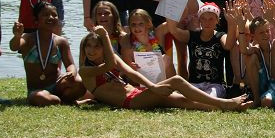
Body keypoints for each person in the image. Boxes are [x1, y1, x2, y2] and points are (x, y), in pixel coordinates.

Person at [79, 25, 250, 111]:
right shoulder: (85, 71)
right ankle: (224, 103)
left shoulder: (112, 58)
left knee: (185, 102)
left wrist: (152, 87)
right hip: (130, 102)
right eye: (88, 47)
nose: (91, 51)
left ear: (103, 48)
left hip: (137, 93)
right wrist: (105, 36)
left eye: (96, 46)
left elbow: (130, 72)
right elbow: (108, 65)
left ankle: (226, 107)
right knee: (176, 81)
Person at [9, 2, 85, 106]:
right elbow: (14, 47)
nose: (51, 17)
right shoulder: (28, 39)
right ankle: (62, 101)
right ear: (36, 20)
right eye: (45, 15)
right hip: (37, 90)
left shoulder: (61, 42)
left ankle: (57, 99)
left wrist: (71, 72)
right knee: (38, 97)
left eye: (54, 15)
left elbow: (70, 64)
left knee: (79, 84)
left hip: (57, 85)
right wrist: (17, 36)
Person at [164, 2, 238, 98]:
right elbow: (173, 30)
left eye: (211, 19)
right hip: (194, 84)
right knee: (183, 97)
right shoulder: (192, 35)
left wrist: (232, 23)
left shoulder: (220, 36)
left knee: (210, 97)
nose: (207, 22)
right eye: (204, 18)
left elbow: (228, 45)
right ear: (199, 20)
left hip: (215, 85)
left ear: (217, 20)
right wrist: (170, 3)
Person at [120, 8, 175, 81]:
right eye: (133, 24)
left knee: (166, 58)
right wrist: (131, 67)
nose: (137, 27)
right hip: (141, 80)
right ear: (129, 26)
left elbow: (173, 22)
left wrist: (168, 2)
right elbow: (127, 72)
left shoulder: (157, 34)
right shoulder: (128, 46)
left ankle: (174, 88)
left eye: (140, 24)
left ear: (148, 24)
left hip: (162, 77)